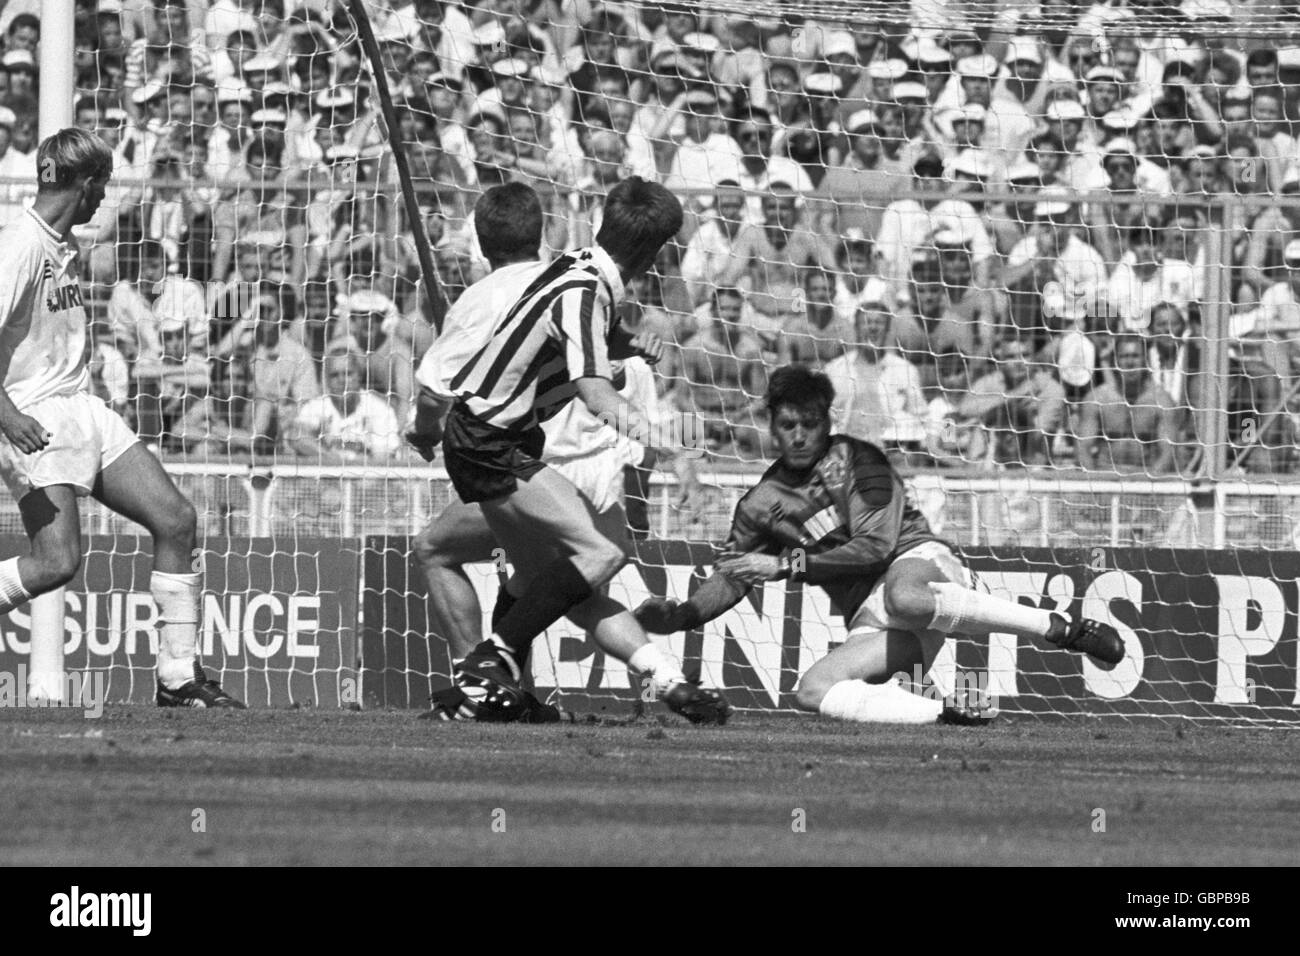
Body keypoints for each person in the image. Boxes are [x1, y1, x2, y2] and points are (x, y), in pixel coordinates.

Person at [405, 179, 729, 725]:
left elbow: (575, 335)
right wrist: (672, 448)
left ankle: (666, 683)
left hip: (495, 438)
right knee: (601, 553)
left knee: (555, 582)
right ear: (655, 252)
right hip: (490, 441)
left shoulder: (581, 269)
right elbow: (596, 394)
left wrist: (628, 344)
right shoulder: (584, 288)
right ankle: (487, 666)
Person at [634, 366, 1124, 725]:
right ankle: (948, 714)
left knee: (903, 595)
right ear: (772, 426)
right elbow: (733, 575)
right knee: (812, 691)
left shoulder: (859, 460)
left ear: (827, 422)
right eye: (788, 425)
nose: (799, 436)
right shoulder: (760, 503)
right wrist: (682, 616)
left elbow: (874, 548)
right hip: (876, 616)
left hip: (921, 567)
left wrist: (783, 565)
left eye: (810, 423)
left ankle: (1057, 626)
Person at [0, 128, 242, 707]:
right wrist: (7, 416)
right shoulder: (20, 247)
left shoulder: (64, 243)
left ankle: (178, 678)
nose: (105, 196)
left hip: (82, 405)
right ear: (85, 184)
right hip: (32, 415)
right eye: (103, 184)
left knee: (176, 519)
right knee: (57, 563)